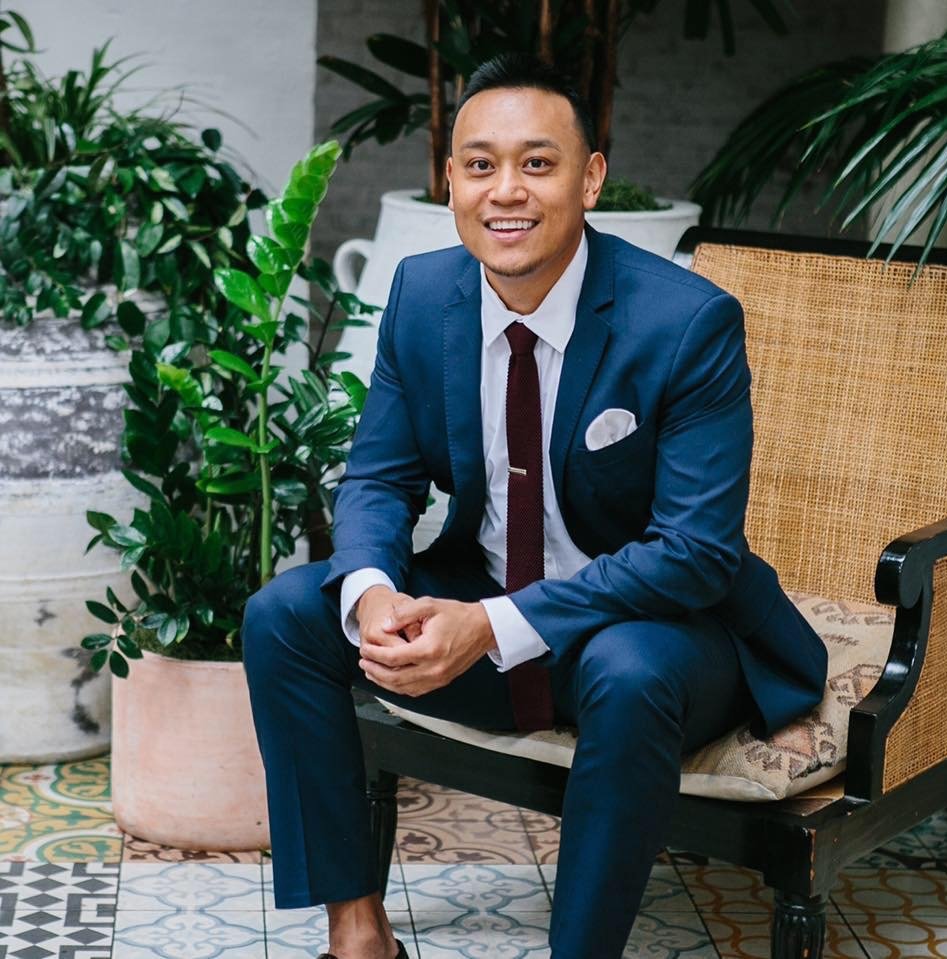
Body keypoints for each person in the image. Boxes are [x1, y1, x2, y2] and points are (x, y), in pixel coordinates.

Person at [242, 54, 827, 959]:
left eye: (538, 162)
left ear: (591, 177)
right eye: (480, 164)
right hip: (489, 604)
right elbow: (380, 477)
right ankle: (358, 934)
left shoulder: (685, 321)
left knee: (629, 667)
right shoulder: (424, 292)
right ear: (450, 182)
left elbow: (696, 551)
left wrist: (492, 624)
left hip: (661, 634)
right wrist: (373, 595)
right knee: (287, 612)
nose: (505, 191)